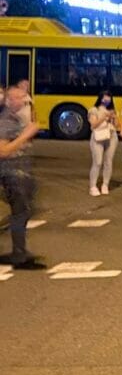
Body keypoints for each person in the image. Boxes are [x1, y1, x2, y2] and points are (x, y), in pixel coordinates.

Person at [0, 86, 43, 269]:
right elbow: (3, 151)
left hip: (20, 173)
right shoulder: (5, 121)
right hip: (11, 174)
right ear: (8, 100)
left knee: (24, 211)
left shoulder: (16, 118)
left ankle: (19, 251)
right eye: (18, 98)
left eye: (24, 99)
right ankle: (19, 254)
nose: (22, 102)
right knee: (21, 213)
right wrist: (26, 135)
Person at [87, 90, 120, 196]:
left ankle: (105, 184)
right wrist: (104, 117)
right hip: (98, 137)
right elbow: (93, 125)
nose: (106, 100)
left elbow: (117, 125)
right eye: (104, 97)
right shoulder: (93, 110)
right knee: (97, 162)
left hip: (111, 137)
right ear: (100, 98)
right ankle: (93, 186)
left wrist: (114, 118)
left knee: (108, 161)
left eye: (109, 97)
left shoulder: (113, 110)